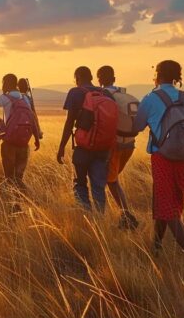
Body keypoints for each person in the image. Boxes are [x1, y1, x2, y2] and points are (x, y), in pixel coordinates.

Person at [131, 60, 184, 262]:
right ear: (177, 77)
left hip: (162, 157)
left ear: (158, 75)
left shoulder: (151, 98)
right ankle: (156, 247)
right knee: (171, 202)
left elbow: (137, 126)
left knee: (168, 209)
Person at [57, 66, 112, 212]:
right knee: (98, 185)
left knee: (80, 182)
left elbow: (70, 122)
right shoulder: (105, 93)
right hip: (103, 147)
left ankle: (85, 215)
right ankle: (100, 220)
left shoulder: (75, 92)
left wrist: (61, 146)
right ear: (92, 77)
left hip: (84, 147)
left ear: (77, 78)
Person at [98, 65, 141, 229]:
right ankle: (124, 214)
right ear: (114, 79)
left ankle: (126, 215)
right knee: (112, 179)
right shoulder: (125, 96)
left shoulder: (104, 95)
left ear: (99, 79)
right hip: (130, 144)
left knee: (111, 180)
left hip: (114, 144)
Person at [0, 73, 40, 190]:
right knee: (18, 178)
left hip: (9, 143)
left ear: (7, 83)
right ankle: (22, 201)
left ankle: (17, 202)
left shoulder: (5, 98)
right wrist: (37, 138)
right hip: (24, 143)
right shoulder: (25, 98)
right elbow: (32, 118)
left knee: (9, 177)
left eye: (3, 83)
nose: (2, 86)